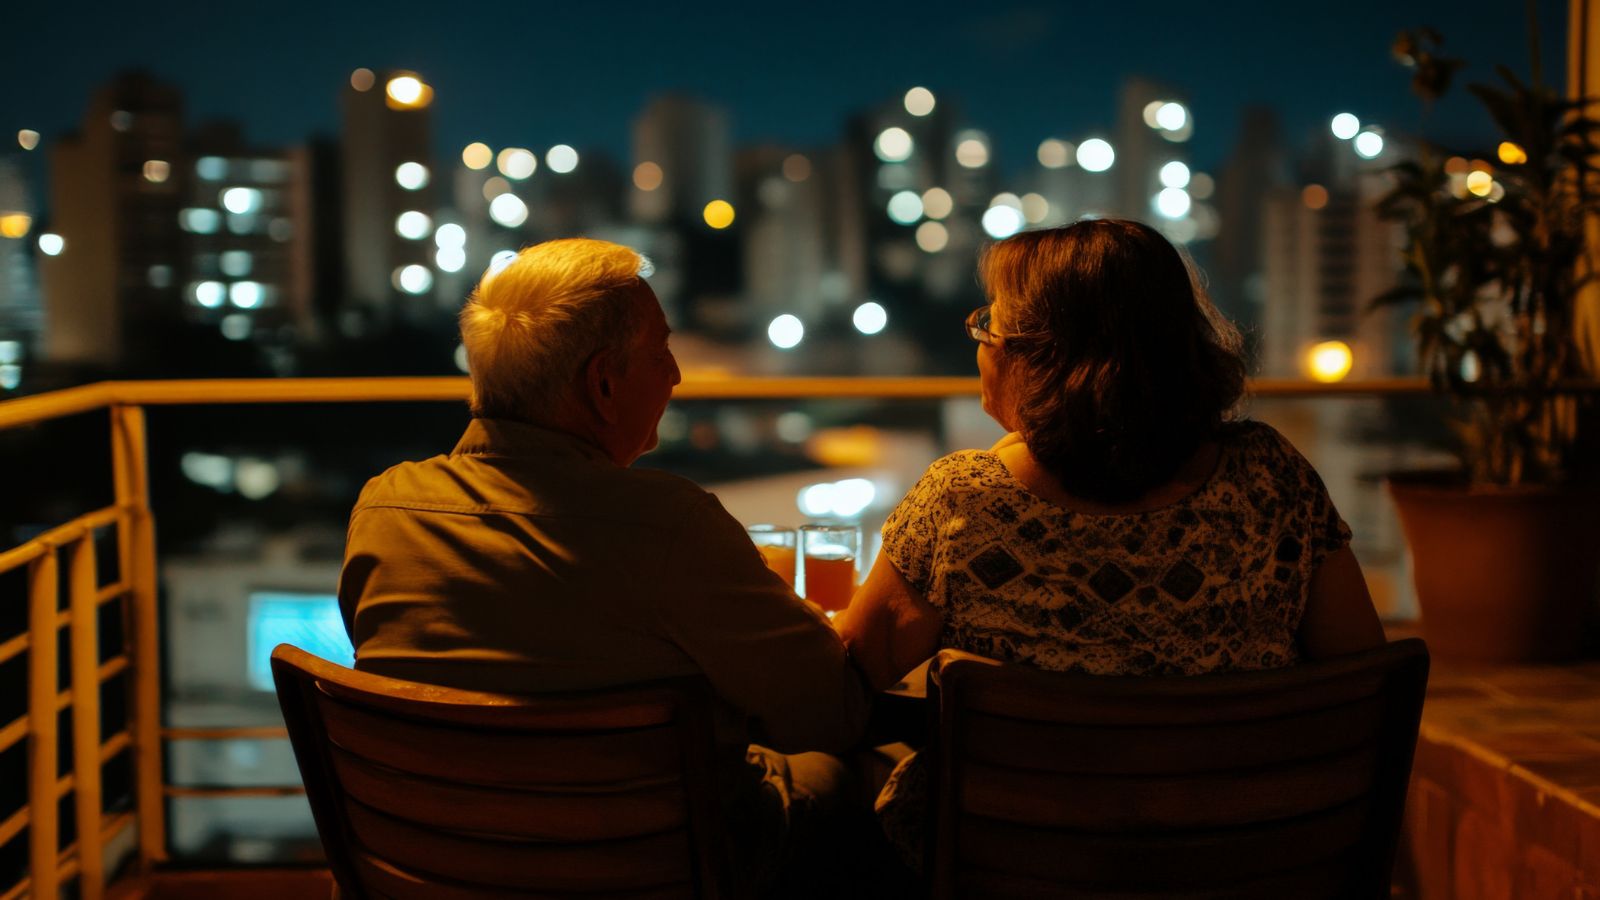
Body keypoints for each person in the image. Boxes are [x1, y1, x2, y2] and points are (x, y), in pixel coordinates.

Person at [835, 219, 1386, 869]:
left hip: (1018, 869)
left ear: (1041, 358)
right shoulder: (1272, 479)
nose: (979, 345)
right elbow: (1363, 683)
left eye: (989, 327)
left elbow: (845, 680)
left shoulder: (964, 502)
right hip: (1243, 862)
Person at [337, 238, 871, 896]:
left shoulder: (384, 509)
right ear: (603, 383)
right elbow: (827, 712)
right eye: (661, 352)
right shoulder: (670, 527)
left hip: (432, 864)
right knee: (848, 780)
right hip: (648, 872)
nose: (676, 375)